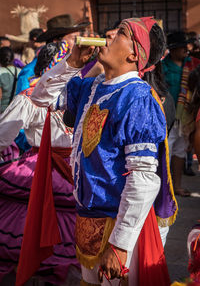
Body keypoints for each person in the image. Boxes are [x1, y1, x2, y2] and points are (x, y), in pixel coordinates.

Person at [31, 17, 178, 285]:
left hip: (117, 222)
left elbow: (143, 178)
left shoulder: (138, 97)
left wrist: (120, 245)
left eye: (120, 32)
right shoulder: (91, 87)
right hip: (88, 216)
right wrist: (73, 64)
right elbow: (40, 98)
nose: (108, 34)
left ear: (135, 54)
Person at [0, 42, 80, 285]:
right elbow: (4, 133)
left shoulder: (83, 94)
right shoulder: (31, 97)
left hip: (75, 168)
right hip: (40, 167)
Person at [162, 31, 200, 196]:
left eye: (186, 46)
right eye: (181, 47)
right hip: (168, 117)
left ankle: (176, 186)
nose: (186, 49)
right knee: (165, 153)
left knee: (180, 152)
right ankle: (164, 190)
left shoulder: (194, 64)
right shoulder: (163, 67)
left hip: (186, 118)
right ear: (173, 49)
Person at [0, 46, 21, 113]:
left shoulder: (0, 72)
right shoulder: (20, 71)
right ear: (13, 58)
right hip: (16, 110)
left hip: (3, 111)